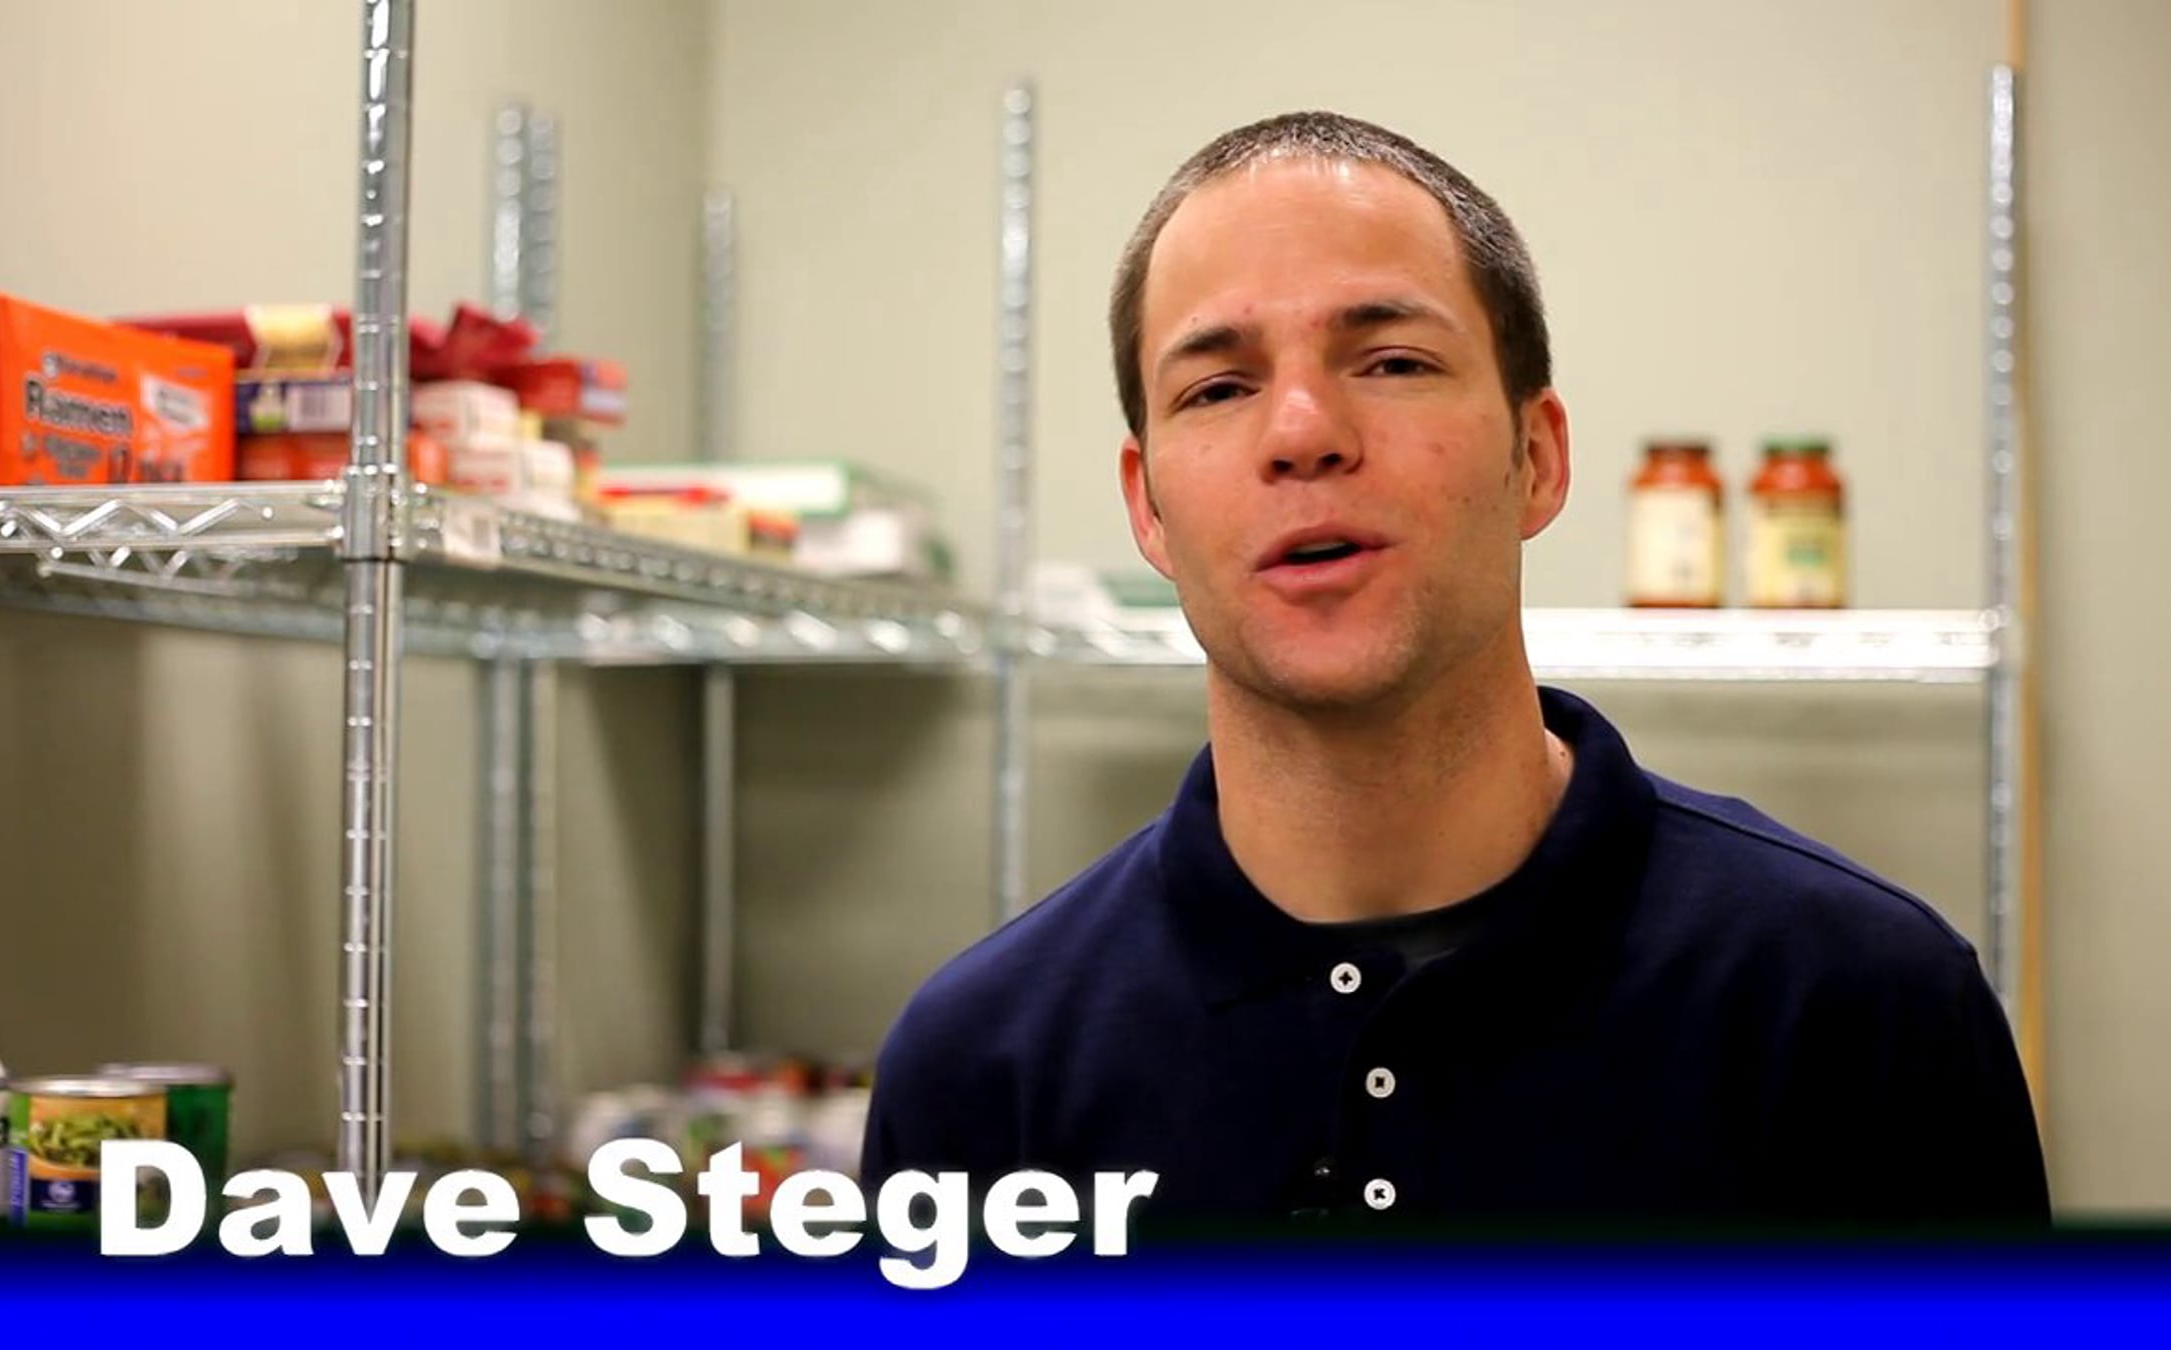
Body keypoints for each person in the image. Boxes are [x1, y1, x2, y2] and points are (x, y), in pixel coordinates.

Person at [858, 110, 2050, 1238]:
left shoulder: (1863, 1010)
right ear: (1149, 509)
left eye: (1391, 361)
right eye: (1218, 388)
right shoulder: (980, 1072)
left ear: (1537, 456)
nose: (1303, 432)